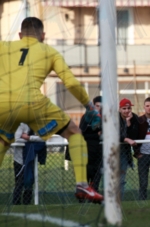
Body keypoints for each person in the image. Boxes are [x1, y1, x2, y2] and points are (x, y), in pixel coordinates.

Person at [0, 17, 103, 203]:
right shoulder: (49, 51)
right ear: (43, 35)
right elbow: (70, 82)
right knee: (74, 132)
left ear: (20, 34)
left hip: (2, 103)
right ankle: (81, 184)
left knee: (2, 141)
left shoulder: (3, 47)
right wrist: (89, 106)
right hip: (32, 103)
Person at [12, 123, 45, 205]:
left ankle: (27, 203)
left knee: (30, 182)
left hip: (31, 159)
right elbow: (16, 139)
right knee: (19, 183)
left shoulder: (37, 124)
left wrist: (29, 138)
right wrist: (32, 140)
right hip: (19, 160)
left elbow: (43, 138)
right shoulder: (21, 125)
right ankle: (16, 203)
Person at [79, 96, 103, 192]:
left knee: (97, 174)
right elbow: (82, 132)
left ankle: (93, 193)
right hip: (88, 151)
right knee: (87, 173)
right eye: (97, 106)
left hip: (100, 152)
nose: (99, 108)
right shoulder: (86, 117)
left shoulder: (106, 118)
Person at [118, 98, 139, 200]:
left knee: (121, 180)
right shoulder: (114, 118)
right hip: (112, 151)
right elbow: (111, 135)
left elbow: (134, 135)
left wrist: (128, 123)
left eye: (128, 108)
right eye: (124, 108)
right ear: (119, 109)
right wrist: (125, 139)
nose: (126, 111)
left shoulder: (134, 118)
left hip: (124, 153)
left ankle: (119, 201)